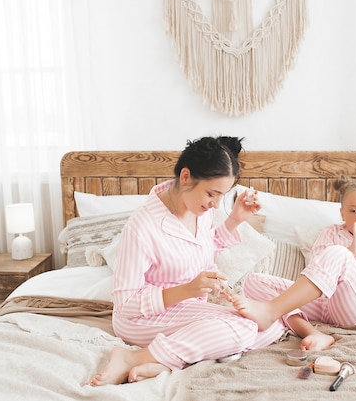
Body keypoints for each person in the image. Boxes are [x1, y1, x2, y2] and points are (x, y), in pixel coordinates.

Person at [86, 136, 289, 386]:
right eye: (211, 194)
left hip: (187, 311)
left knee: (270, 323)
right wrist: (188, 289)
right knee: (247, 328)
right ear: (185, 177)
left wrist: (236, 218)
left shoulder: (200, 210)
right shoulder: (141, 227)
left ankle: (165, 361)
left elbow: (198, 250)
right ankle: (132, 357)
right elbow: (125, 304)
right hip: (141, 319)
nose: (215, 204)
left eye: (222, 196)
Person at [232, 173, 356, 350]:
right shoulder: (331, 232)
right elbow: (315, 271)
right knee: (253, 282)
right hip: (321, 303)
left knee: (338, 253)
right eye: (353, 210)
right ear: (342, 213)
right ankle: (312, 333)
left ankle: (271, 312)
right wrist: (353, 249)